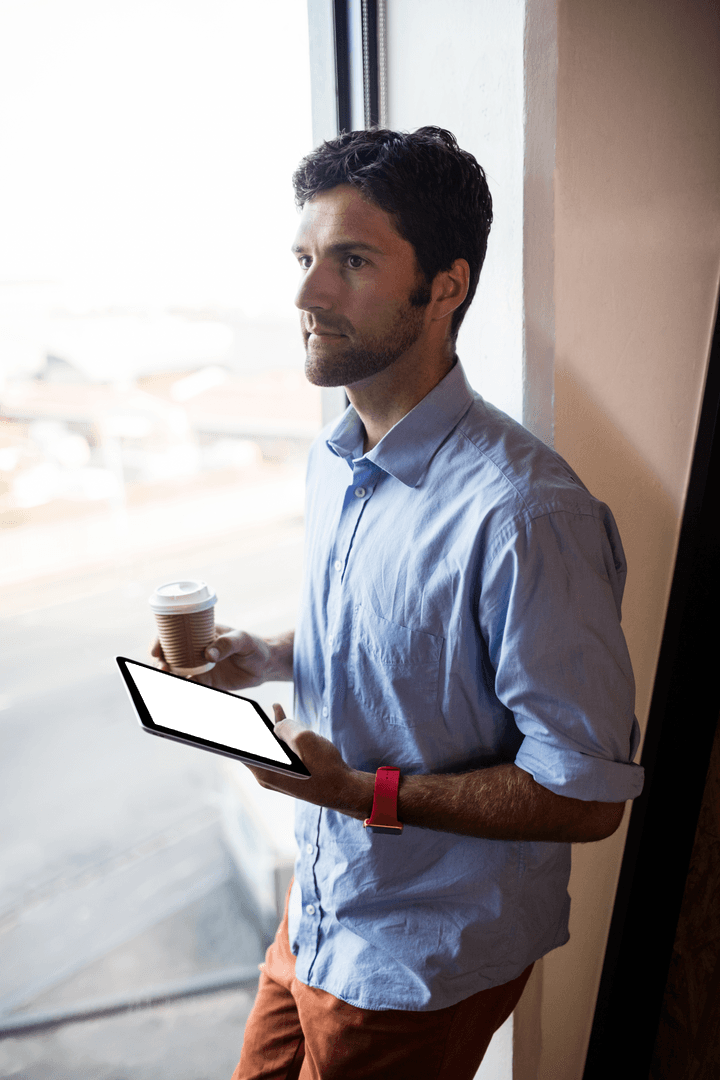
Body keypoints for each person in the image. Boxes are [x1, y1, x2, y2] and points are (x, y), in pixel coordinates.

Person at [152, 126, 644, 1079]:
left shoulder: (528, 516)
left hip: (418, 954)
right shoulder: (334, 461)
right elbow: (399, 635)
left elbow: (584, 797)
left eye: (352, 261)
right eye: (304, 258)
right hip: (323, 902)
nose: (305, 294)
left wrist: (356, 792)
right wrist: (267, 652)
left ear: (445, 286)